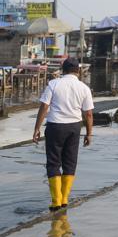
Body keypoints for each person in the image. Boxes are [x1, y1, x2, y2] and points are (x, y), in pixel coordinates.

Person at [32, 58, 94, 212]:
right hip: (74, 127)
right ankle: (65, 198)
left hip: (55, 126)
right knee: (70, 162)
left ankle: (56, 201)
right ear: (78, 71)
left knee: (53, 162)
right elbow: (89, 114)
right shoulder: (84, 87)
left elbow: (44, 107)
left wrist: (36, 128)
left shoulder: (54, 84)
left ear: (62, 69)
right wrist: (89, 134)